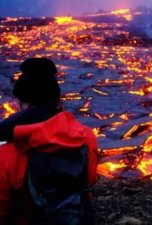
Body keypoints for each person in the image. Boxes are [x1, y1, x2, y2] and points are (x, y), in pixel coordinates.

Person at [0, 58, 99, 225]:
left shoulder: (8, 153)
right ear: (58, 102)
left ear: (24, 105)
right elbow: (89, 182)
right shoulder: (86, 137)